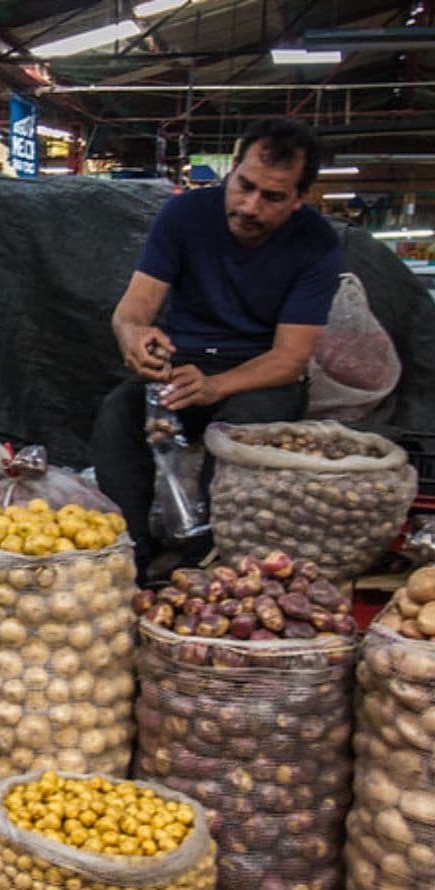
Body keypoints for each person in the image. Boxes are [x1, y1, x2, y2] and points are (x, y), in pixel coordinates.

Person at [91, 117, 343, 583]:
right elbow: (134, 308)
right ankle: (131, 557)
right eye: (243, 185)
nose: (249, 206)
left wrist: (216, 386)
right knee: (119, 413)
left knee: (239, 431)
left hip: (259, 373)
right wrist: (132, 335)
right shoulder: (183, 215)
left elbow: (290, 359)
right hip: (184, 365)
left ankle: (204, 563)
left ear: (299, 198)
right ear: (232, 169)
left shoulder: (318, 244)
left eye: (272, 197)